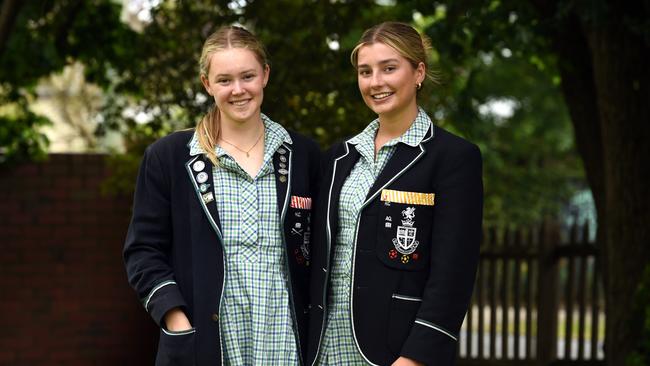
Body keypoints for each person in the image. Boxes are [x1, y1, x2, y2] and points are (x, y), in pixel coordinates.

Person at [124, 25, 319, 366]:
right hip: (207, 344)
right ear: (207, 84)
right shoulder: (169, 157)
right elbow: (143, 251)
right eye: (225, 80)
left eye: (248, 76)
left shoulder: (304, 156)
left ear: (265, 76)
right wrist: (175, 317)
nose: (238, 90)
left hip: (285, 343)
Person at [307, 22, 483, 366]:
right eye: (365, 71)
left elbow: (454, 273)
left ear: (418, 72)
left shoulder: (452, 158)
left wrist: (416, 356)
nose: (376, 82)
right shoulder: (338, 158)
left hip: (395, 351)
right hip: (325, 347)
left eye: (389, 68)